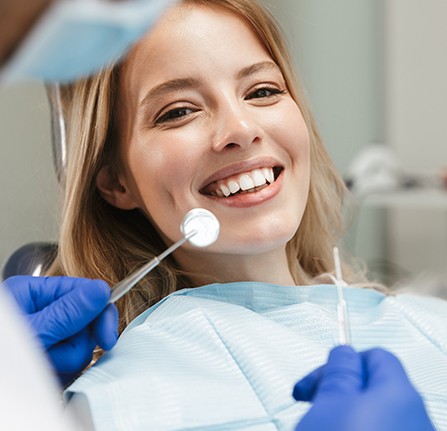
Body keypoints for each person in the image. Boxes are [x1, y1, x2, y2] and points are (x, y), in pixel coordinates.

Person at [45, 0, 445, 430]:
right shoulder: (111, 403)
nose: (240, 128)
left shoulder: (429, 324)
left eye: (263, 91)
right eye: (179, 111)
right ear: (116, 183)